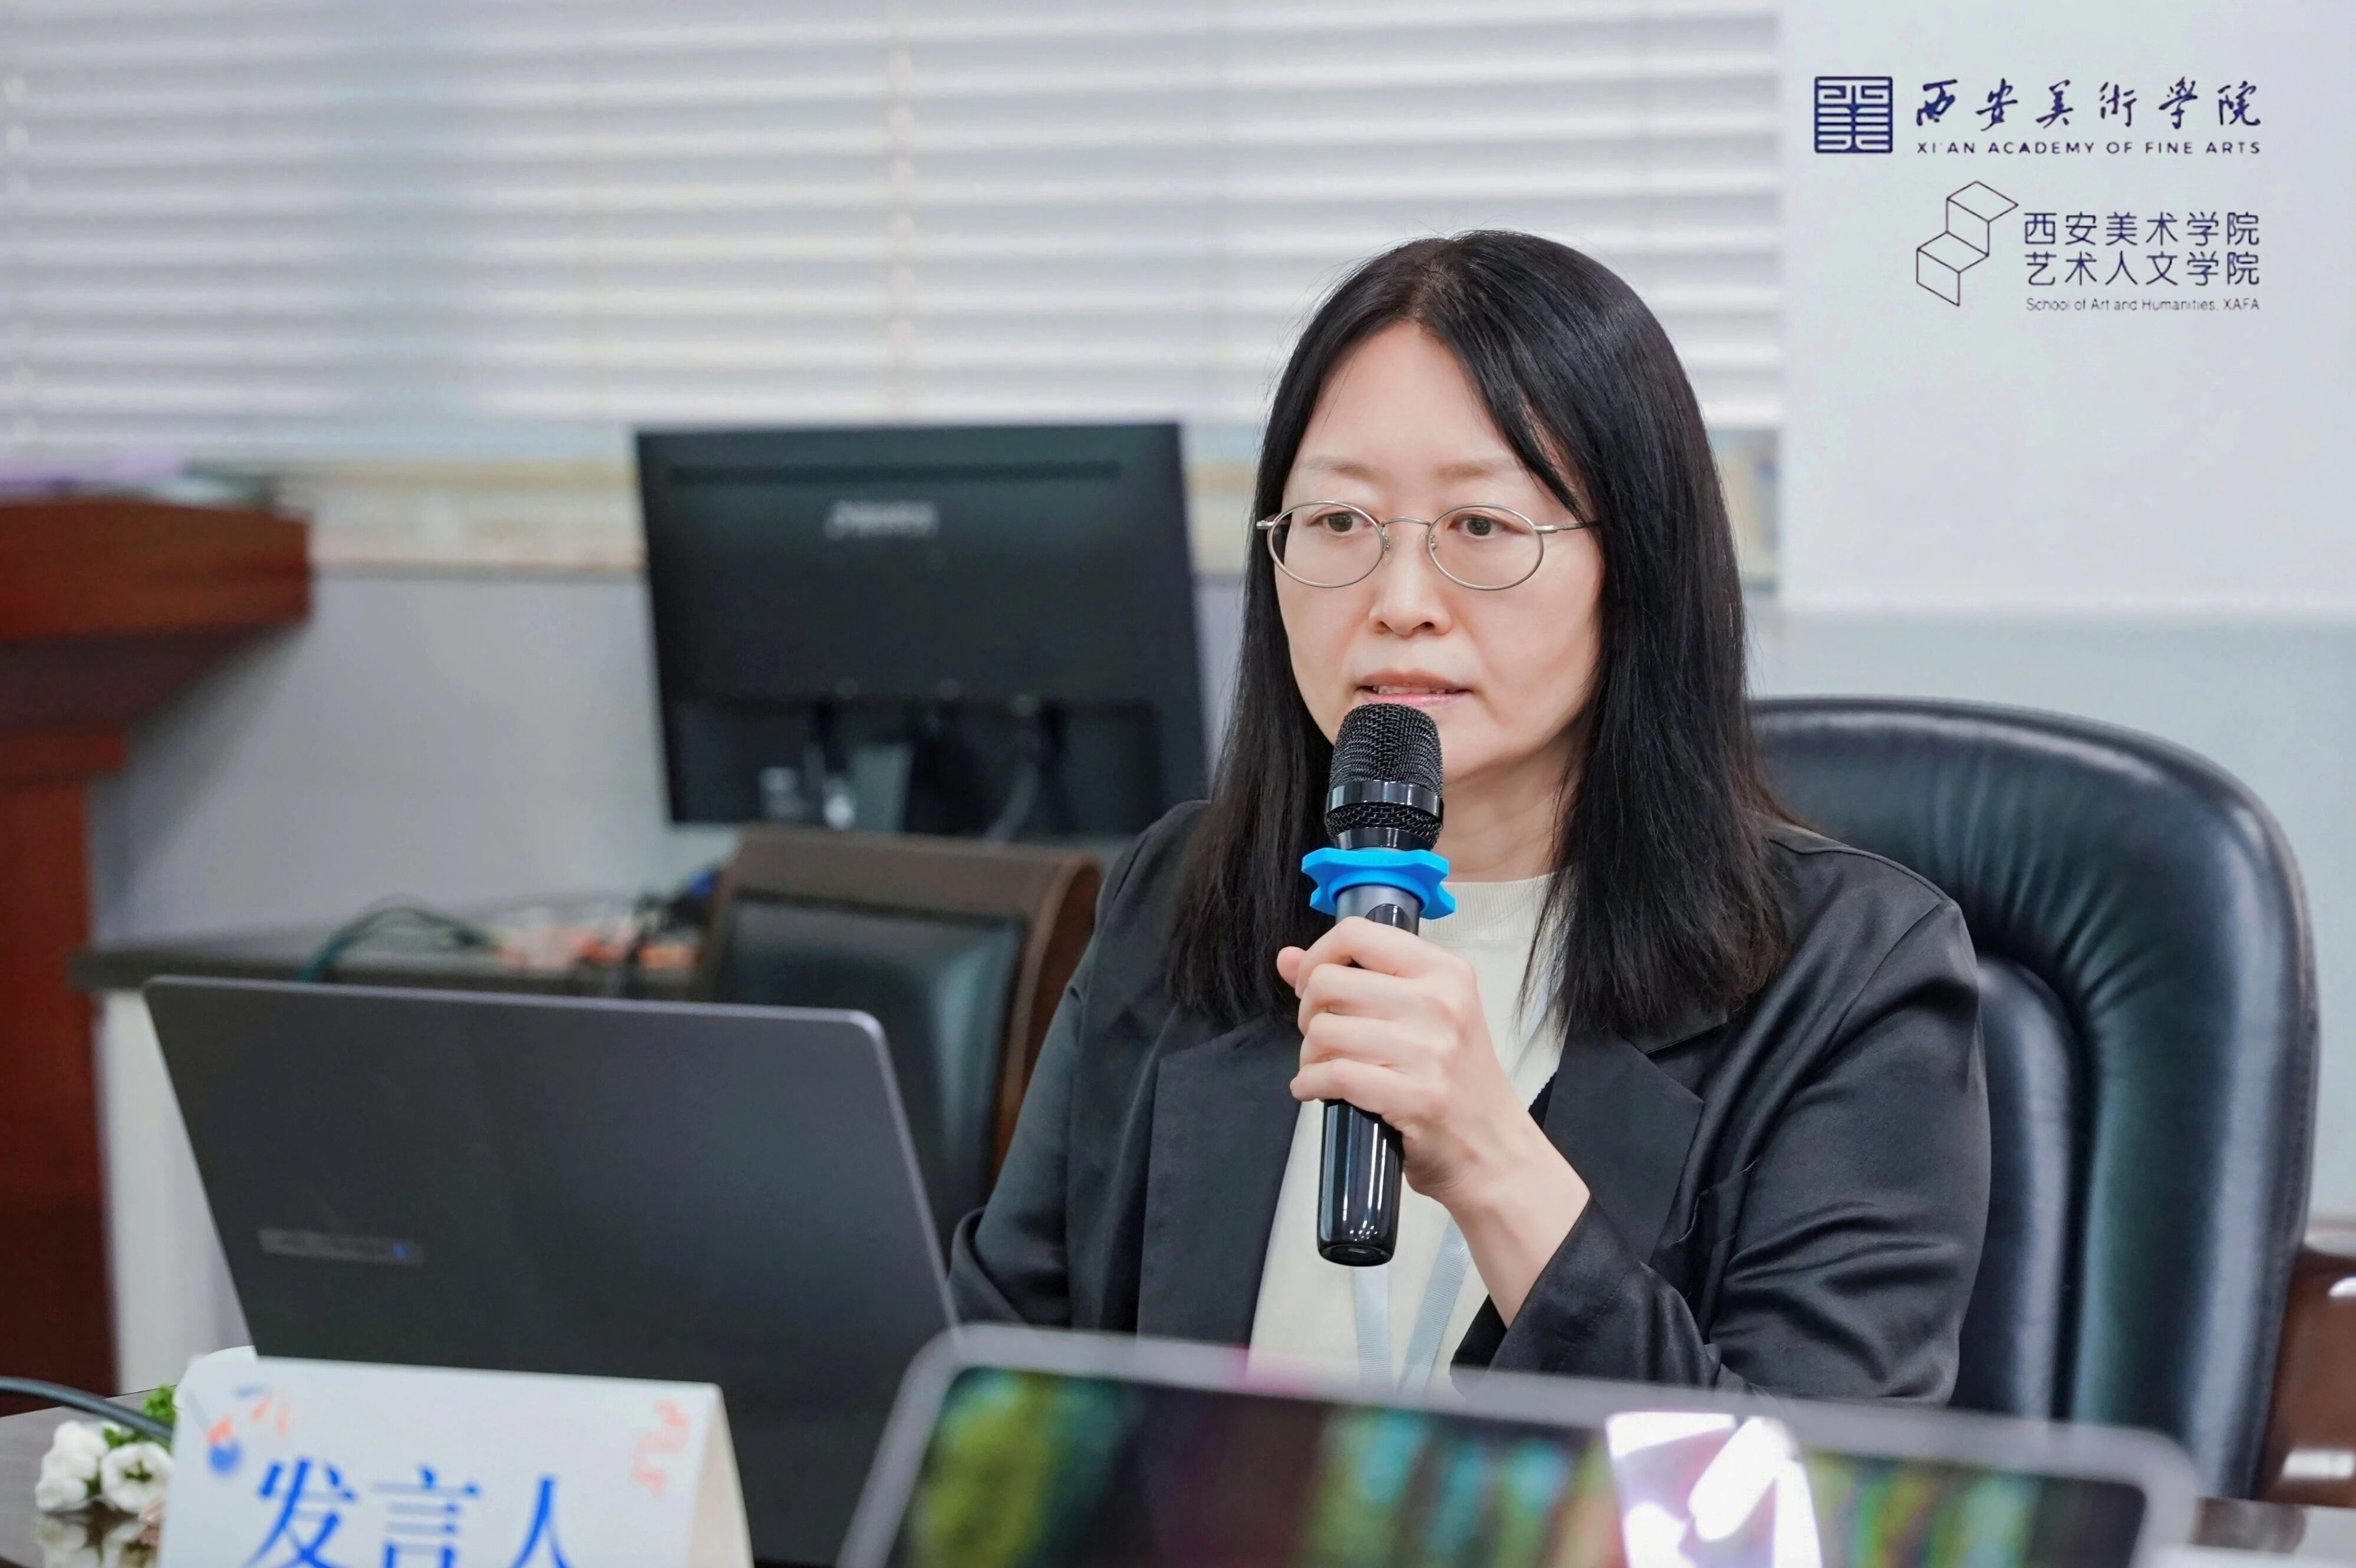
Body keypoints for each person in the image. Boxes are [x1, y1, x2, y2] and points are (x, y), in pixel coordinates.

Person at [952, 231, 1989, 1399]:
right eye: (1338, 522)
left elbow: (1794, 1495)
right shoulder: (1178, 893)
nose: (1399, 602)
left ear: (1636, 570)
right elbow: (993, 1388)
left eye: (1481, 528)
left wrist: (1495, 1165)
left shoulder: (1850, 977)